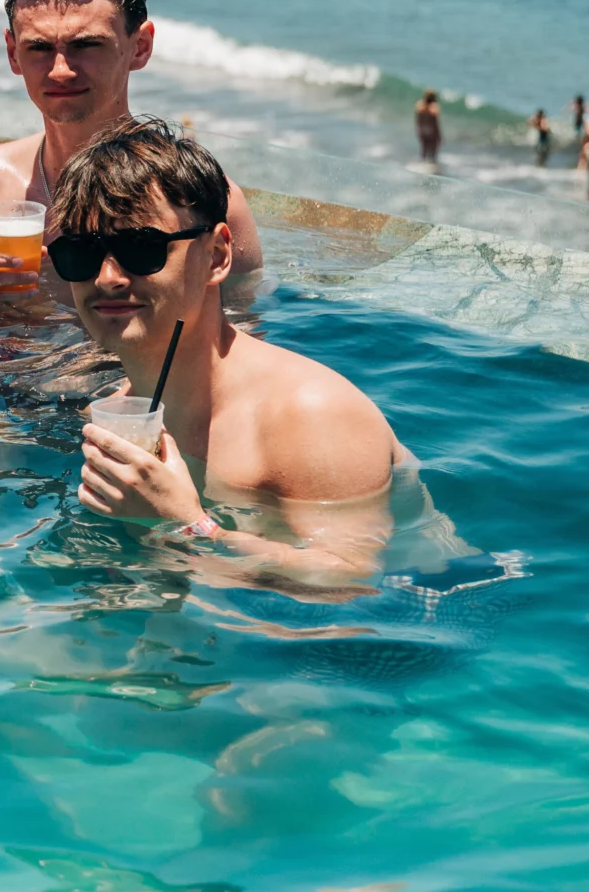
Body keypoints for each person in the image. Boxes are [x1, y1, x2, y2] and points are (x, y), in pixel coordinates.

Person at [59, 117, 402, 582]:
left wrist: (189, 525)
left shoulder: (310, 414)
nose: (107, 278)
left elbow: (351, 580)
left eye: (142, 247)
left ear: (218, 255)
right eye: (80, 253)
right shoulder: (116, 415)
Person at [0, 0, 262, 293]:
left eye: (86, 45)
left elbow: (240, 323)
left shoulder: (203, 202)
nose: (60, 71)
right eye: (39, 48)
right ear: (13, 54)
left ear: (140, 47)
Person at [415, 89, 442, 165]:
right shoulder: (434, 108)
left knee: (424, 149)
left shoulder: (419, 106)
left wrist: (418, 130)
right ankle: (432, 165)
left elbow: (418, 120)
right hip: (431, 131)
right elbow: (436, 123)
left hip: (422, 130)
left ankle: (423, 164)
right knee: (433, 151)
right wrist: (439, 135)